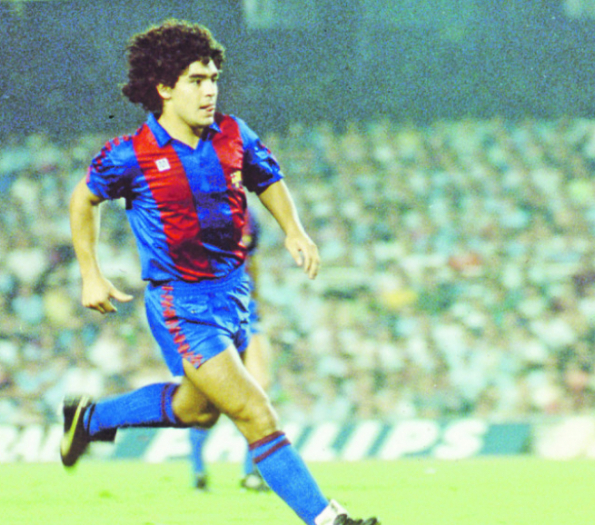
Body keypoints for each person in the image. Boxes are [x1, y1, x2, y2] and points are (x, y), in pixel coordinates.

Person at [62, 19, 378, 525]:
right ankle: (329, 519)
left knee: (198, 411)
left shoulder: (233, 133)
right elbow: (83, 199)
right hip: (181, 304)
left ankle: (92, 418)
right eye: (196, 81)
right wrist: (90, 274)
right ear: (164, 88)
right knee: (256, 411)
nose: (209, 91)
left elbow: (267, 178)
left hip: (234, 295)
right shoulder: (131, 154)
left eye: (213, 79)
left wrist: (294, 230)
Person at [189, 211, 272, 492]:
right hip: (209, 309)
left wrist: (257, 298)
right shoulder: (192, 209)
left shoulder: (248, 215)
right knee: (206, 398)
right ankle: (198, 471)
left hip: (246, 309)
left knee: (260, 386)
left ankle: (251, 473)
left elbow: (252, 259)